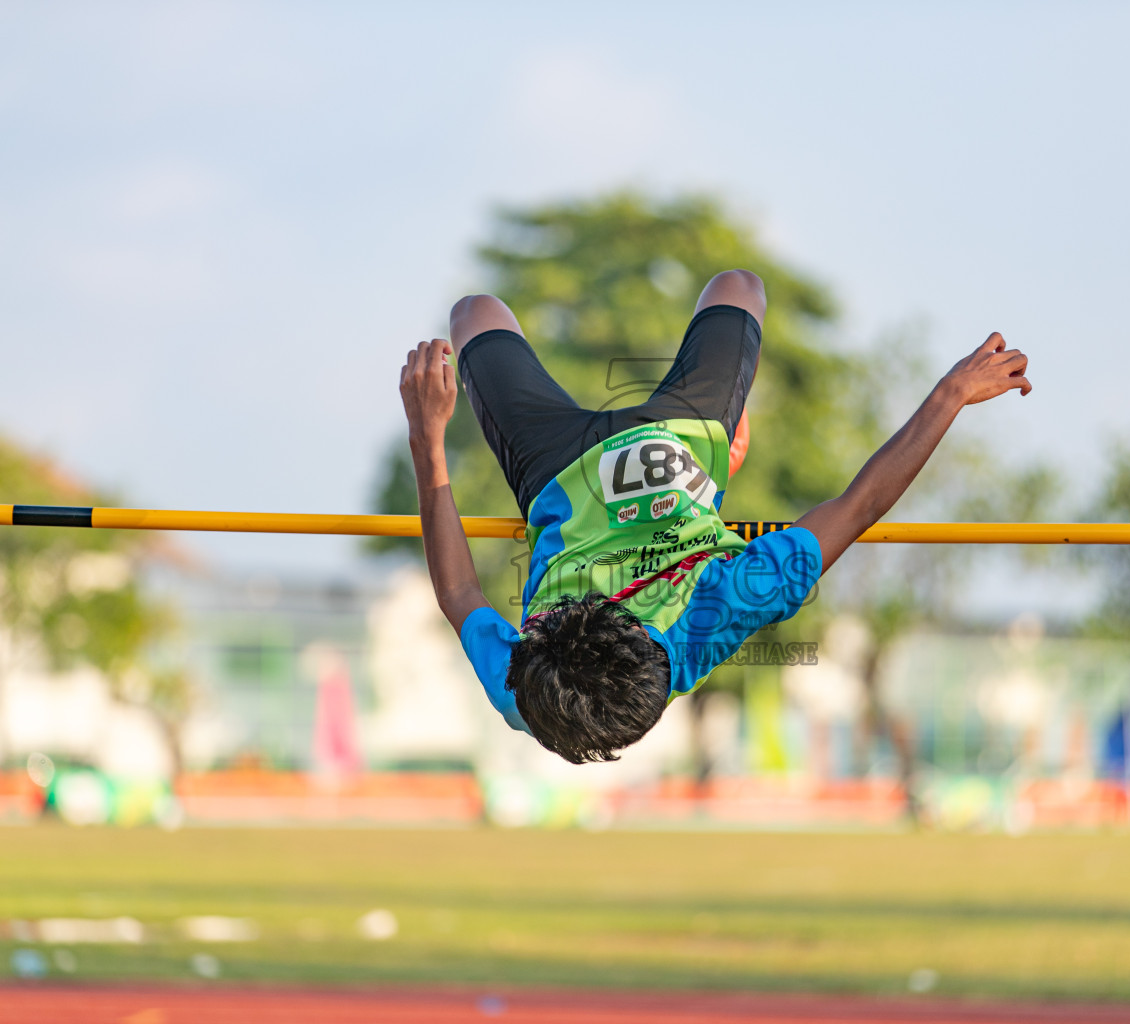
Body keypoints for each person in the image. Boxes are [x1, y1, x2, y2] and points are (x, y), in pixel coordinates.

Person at [398, 269, 1030, 764]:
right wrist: (950, 395)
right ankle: (717, 468)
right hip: (678, 440)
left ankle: (719, 465)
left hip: (551, 464)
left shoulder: (524, 688)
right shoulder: (718, 616)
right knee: (738, 286)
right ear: (657, 657)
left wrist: (429, 440)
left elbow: (458, 592)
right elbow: (858, 505)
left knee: (474, 312)